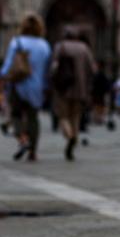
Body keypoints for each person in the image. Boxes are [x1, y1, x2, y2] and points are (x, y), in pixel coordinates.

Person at [0, 14, 52, 161]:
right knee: (33, 118)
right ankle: (33, 152)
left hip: (18, 85)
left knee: (15, 114)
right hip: (37, 88)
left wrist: (2, 76)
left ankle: (23, 140)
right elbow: (48, 68)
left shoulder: (17, 42)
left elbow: (7, 66)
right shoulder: (44, 45)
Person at [50, 26, 96, 160]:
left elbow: (54, 67)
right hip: (80, 89)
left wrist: (52, 80)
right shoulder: (84, 48)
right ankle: (74, 139)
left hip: (63, 88)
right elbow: (92, 69)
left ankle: (69, 135)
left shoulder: (60, 46)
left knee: (63, 116)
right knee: (75, 116)